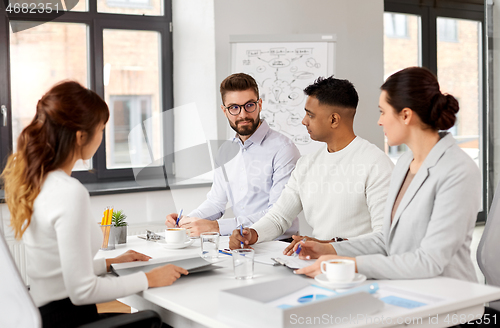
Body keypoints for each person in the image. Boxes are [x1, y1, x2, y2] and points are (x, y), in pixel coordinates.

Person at [2, 81, 188, 328]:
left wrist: (109, 263)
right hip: (70, 319)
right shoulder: (68, 192)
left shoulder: (35, 182)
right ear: (81, 136)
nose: (102, 136)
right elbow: (82, 291)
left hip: (46, 315)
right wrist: (149, 278)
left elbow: (56, 267)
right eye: (101, 129)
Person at [295, 67, 481, 282]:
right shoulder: (403, 163)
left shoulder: (458, 170)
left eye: (383, 112)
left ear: (405, 115)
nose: (379, 121)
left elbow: (430, 261)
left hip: (449, 300)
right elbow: (386, 239)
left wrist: (350, 264)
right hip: (404, 289)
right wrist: (329, 249)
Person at [229, 76, 394, 252]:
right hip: (315, 264)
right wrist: (251, 234)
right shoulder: (306, 164)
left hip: (358, 268)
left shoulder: (376, 164)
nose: (304, 121)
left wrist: (330, 245)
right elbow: (278, 217)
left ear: (333, 120)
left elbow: (384, 237)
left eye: (310, 115)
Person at [165, 73, 301, 239]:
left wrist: (216, 227)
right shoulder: (225, 150)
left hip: (278, 243)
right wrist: (187, 221)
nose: (243, 115)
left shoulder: (283, 149)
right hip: (239, 242)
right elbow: (216, 202)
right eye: (234, 108)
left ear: (260, 104)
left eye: (249, 105)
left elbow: (277, 213)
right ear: (225, 110)